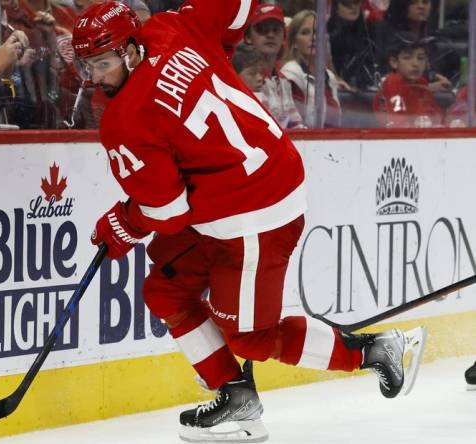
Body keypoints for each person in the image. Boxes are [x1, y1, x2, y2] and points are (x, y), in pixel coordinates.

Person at [72, 2, 427, 442]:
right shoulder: (170, 27)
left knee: (251, 339)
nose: (96, 77)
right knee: (164, 288)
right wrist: (216, 46)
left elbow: (167, 212)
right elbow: (237, 9)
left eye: (103, 64)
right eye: (87, 66)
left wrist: (120, 223)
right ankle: (235, 397)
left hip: (254, 213)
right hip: (239, 194)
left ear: (129, 50)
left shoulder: (125, 119)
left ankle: (375, 350)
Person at [241, 3, 304, 129]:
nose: (270, 35)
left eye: (276, 30)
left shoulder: (284, 81)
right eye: (262, 29)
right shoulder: (242, 78)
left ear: (284, 38)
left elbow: (296, 125)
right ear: (248, 37)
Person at [280, 9, 342, 127]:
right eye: (305, 33)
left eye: (317, 32)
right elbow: (292, 124)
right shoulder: (291, 73)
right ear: (295, 42)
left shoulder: (329, 76)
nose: (313, 38)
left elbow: (335, 122)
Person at [373, 31, 443, 128]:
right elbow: (397, 125)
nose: (415, 63)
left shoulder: (422, 83)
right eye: (407, 57)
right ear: (394, 62)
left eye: (420, 58)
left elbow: (436, 117)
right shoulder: (393, 83)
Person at [233, 44, 303, 129]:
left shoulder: (265, 95)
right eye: (252, 73)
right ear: (235, 76)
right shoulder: (233, 103)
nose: (259, 78)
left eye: (260, 72)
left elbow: (295, 124)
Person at [327, 0, 379, 91]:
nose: (353, 7)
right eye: (346, 3)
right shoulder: (327, 34)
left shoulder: (370, 33)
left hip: (364, 90)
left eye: (356, 2)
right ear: (336, 7)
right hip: (337, 89)